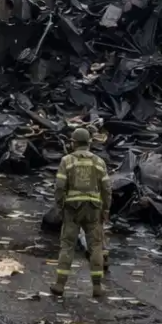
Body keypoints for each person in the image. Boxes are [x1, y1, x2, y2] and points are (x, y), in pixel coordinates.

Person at [51, 127, 110, 298]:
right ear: (89, 143)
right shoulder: (99, 162)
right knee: (96, 246)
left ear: (74, 143)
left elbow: (60, 187)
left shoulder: (67, 161)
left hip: (72, 209)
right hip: (93, 209)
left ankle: (60, 285)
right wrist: (105, 209)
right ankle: (97, 287)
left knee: (67, 245)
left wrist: (60, 206)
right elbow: (107, 188)